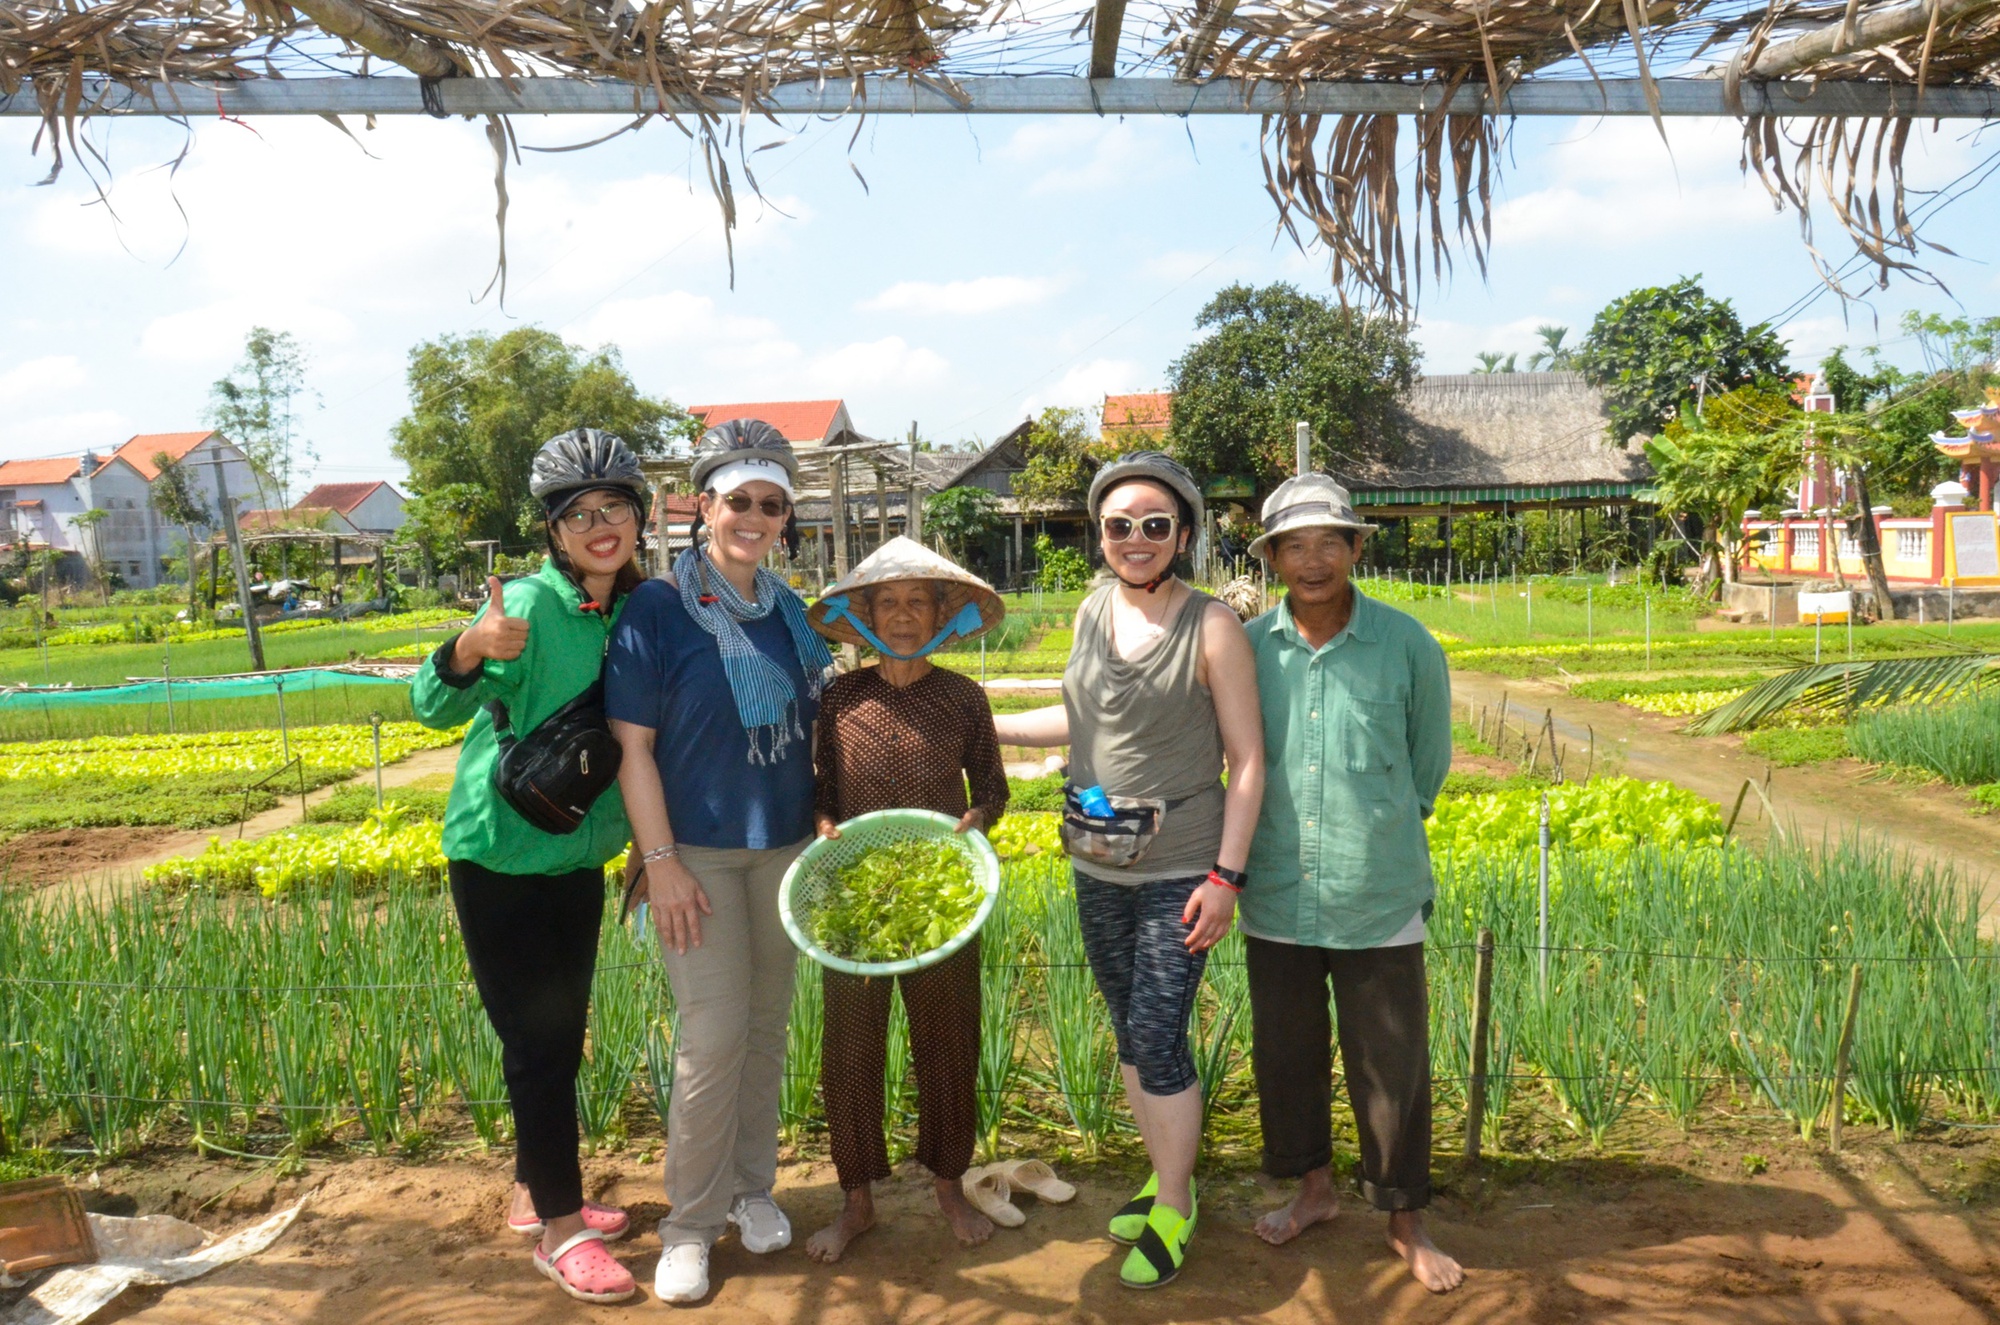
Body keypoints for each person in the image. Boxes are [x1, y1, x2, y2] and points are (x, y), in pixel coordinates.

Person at [991, 451, 1265, 1289]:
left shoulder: (1211, 625)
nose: (1136, 538)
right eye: (1120, 525)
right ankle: (1162, 1172)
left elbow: (1248, 763)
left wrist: (1226, 879)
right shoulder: (1090, 610)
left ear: (1181, 533)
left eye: (1154, 524)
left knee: (1157, 1031)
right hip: (1098, 858)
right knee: (1127, 1026)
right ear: (1100, 534)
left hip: (1182, 863)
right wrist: (981, 721)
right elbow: (1080, 724)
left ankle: (1176, 1202)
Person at [410, 429, 650, 1306]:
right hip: (501, 853)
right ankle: (560, 1230)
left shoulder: (639, 609)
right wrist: (471, 647)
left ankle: (534, 1191)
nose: (599, 525)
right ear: (553, 531)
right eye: (578, 513)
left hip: (578, 856)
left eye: (614, 506)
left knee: (560, 1035)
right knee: (539, 1044)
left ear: (638, 516)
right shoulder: (527, 606)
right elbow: (432, 706)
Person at [606, 419, 833, 1306]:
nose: (755, 516)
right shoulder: (658, 609)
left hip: (780, 848)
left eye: (771, 504)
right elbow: (633, 749)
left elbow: (815, 730)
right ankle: (691, 1225)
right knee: (710, 1038)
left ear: (784, 518)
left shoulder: (788, 611)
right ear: (704, 507)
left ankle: (751, 1189)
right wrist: (658, 861)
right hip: (694, 854)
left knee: (766, 1029)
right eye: (738, 500)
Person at [1237, 474, 1464, 1294]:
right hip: (1278, 894)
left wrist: (1376, 825)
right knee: (1288, 1057)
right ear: (1270, 558)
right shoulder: (1248, 648)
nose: (1313, 558)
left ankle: (1405, 1217)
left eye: (1330, 540)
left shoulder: (1407, 645)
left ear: (1358, 548)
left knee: (1391, 1065)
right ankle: (1314, 1192)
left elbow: (1428, 765)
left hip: (1379, 892)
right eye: (1294, 544)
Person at [799, 537, 1011, 1263]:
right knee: (851, 1048)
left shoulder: (962, 696)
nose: (901, 615)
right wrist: (824, 822)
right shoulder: (840, 696)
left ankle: (948, 1183)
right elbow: (821, 788)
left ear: (941, 613)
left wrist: (976, 821)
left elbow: (992, 789)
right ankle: (856, 1199)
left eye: (916, 602)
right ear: (863, 616)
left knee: (947, 1038)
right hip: (855, 901)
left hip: (941, 899)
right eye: (886, 602)